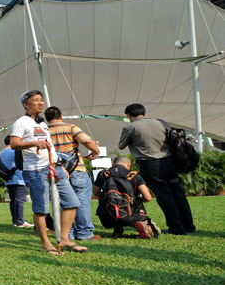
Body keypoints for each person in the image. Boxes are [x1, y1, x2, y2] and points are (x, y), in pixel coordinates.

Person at [10, 90, 87, 255]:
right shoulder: (21, 122)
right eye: (36, 100)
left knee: (72, 202)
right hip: (36, 171)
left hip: (55, 168)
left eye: (41, 100)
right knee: (41, 208)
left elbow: (50, 146)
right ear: (26, 104)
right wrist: (33, 143)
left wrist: (61, 167)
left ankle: (65, 238)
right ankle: (46, 244)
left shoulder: (42, 123)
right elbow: (14, 143)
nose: (40, 103)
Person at [118, 103, 195, 235]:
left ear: (129, 115)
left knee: (164, 196)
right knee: (178, 193)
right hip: (170, 161)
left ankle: (176, 228)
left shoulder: (130, 127)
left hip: (150, 164)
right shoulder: (160, 122)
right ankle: (188, 226)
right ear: (144, 113)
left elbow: (121, 146)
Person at [45, 106, 101, 241]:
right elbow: (86, 140)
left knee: (60, 203)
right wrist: (96, 151)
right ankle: (85, 234)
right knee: (82, 201)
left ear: (47, 118)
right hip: (77, 171)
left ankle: (68, 234)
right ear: (61, 116)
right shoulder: (70, 127)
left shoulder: (44, 131)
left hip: (55, 172)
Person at [93, 156, 160, 239]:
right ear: (129, 165)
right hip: (130, 213)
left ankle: (117, 228)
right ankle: (143, 225)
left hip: (107, 214)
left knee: (111, 204)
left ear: (113, 164)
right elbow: (148, 197)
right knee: (154, 231)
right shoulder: (134, 176)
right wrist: (137, 200)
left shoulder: (103, 174)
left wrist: (109, 198)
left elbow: (96, 192)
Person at [0, 135, 33, 228]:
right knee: (19, 200)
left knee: (13, 200)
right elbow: (21, 163)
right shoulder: (14, 150)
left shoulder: (2, 152)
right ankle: (20, 222)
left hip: (8, 180)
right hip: (18, 179)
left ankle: (15, 221)